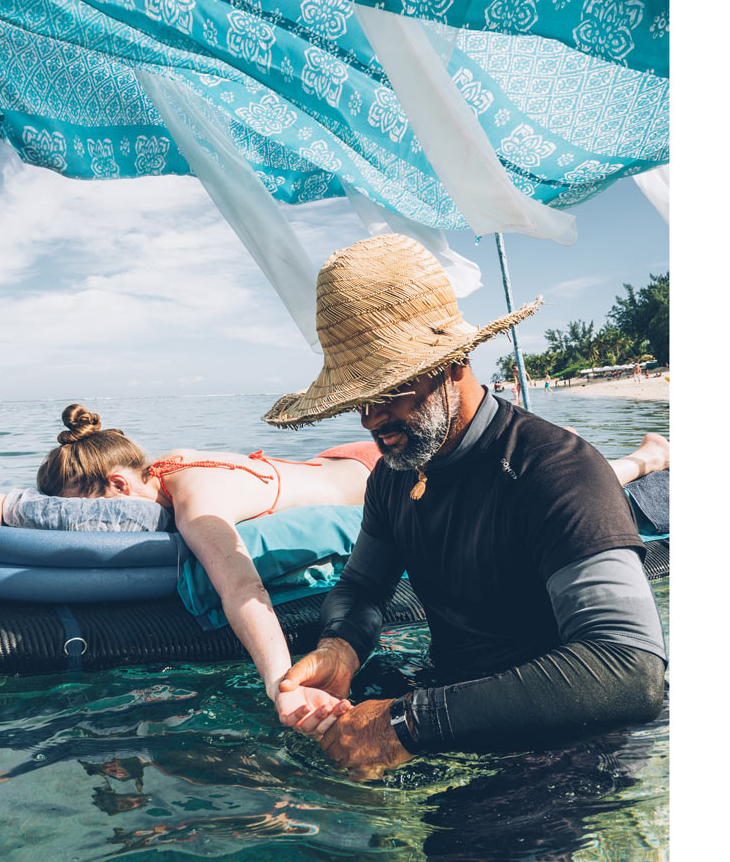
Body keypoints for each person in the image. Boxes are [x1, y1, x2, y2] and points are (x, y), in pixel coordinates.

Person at [0, 400, 665, 732]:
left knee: (602, 475)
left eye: (82, 509)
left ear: (114, 488)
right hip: (350, 472)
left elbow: (237, 581)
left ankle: (646, 459)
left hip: (353, 475)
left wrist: (275, 681)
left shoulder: (192, 493)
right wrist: (2, 501)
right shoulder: (159, 467)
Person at [265, 234, 667, 781]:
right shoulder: (392, 478)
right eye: (359, 399)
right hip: (452, 701)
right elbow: (362, 587)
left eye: (389, 390)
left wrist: (409, 724)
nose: (370, 419)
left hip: (572, 740)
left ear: (454, 362)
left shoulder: (557, 470)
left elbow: (628, 670)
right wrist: (341, 646)